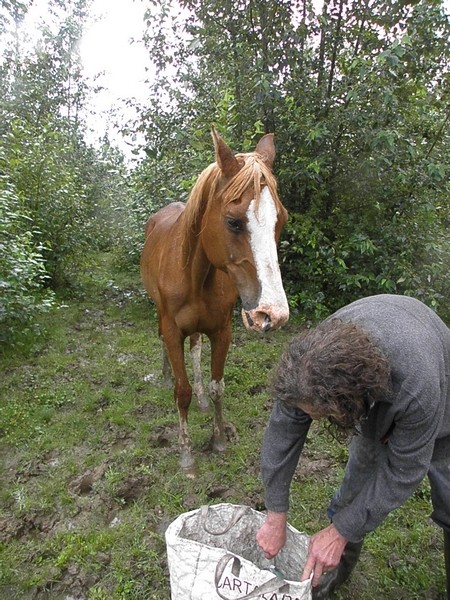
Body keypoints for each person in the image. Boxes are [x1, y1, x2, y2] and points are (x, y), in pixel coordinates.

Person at [256, 294, 450, 599]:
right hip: (378, 379)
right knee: (354, 494)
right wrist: (275, 512)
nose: (312, 421)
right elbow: (284, 428)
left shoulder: (417, 387)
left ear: (351, 401)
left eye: (320, 416)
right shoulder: (310, 365)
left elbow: (404, 471)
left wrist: (340, 532)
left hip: (440, 395)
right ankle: (328, 583)